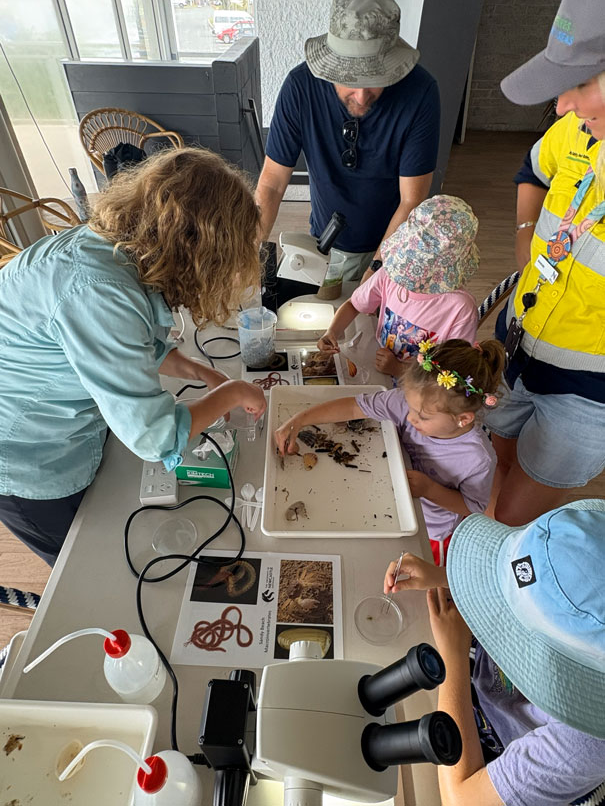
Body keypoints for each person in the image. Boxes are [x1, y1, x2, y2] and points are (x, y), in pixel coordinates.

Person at [0, 148, 266, 566]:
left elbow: (128, 342)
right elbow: (155, 436)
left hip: (64, 427)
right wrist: (231, 393)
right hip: (29, 455)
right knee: (86, 567)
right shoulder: (99, 291)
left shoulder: (109, 249)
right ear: (196, 247)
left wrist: (197, 370)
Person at [383, 498, 605, 806]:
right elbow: (549, 583)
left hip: (490, 757)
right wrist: (450, 578)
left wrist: (452, 657)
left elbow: (460, 799)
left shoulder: (587, 743)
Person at [485, 0, 605, 526]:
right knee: (497, 465)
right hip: (517, 348)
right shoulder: (577, 130)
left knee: (507, 519)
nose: (561, 106)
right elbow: (532, 171)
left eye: (581, 84)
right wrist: (524, 237)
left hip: (586, 395)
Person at [256, 0, 440, 282]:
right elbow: (272, 182)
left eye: (376, 79)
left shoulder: (420, 93)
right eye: (349, 80)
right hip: (325, 240)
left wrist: (374, 274)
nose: (362, 95)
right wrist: (250, 252)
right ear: (330, 67)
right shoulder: (300, 87)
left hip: (394, 244)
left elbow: (411, 201)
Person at [275, 338, 505, 565]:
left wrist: (429, 489)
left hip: (431, 528)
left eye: (423, 417)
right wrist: (300, 419)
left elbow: (472, 506)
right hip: (386, 494)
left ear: (463, 419)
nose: (411, 417)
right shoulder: (410, 404)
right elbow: (355, 406)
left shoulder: (478, 458)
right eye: (410, 406)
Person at [316, 195, 480, 379]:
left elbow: (454, 373)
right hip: (380, 372)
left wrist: (399, 370)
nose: (407, 274)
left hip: (422, 393)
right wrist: (332, 332)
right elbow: (354, 305)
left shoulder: (460, 308)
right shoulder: (390, 274)